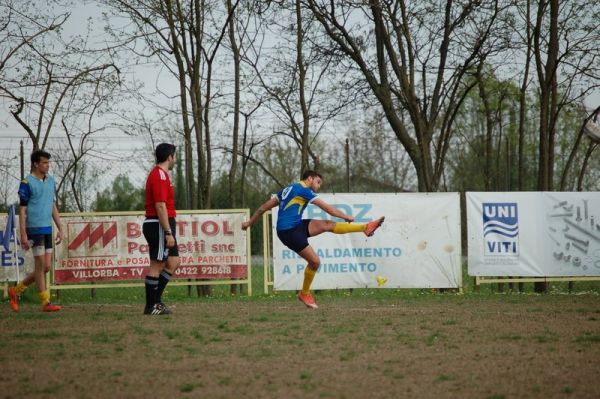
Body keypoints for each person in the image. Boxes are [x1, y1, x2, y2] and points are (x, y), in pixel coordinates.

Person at [242, 170, 384, 309]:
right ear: (309, 178)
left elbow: (262, 208)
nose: (319, 186)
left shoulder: (287, 189)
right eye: (318, 182)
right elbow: (328, 209)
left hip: (296, 225)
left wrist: (249, 223)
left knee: (327, 224)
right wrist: (346, 217)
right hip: (289, 232)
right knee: (315, 262)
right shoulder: (304, 190)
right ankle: (304, 293)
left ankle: (365, 228)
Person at [8, 150, 64, 312]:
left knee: (45, 267)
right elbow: (23, 210)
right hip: (34, 229)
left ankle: (15, 290)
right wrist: (23, 233)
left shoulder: (51, 181)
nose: (48, 165)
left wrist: (60, 228)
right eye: (44, 162)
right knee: (40, 265)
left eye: (48, 162)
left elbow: (52, 206)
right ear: (36, 164)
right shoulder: (26, 183)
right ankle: (46, 303)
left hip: (47, 229)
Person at [142, 143, 180, 315]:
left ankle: (156, 301)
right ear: (169, 157)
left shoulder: (163, 175)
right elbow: (160, 206)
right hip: (158, 224)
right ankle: (151, 306)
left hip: (164, 223)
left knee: (173, 262)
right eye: (174, 156)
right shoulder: (159, 175)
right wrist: (167, 232)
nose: (175, 160)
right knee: (157, 265)